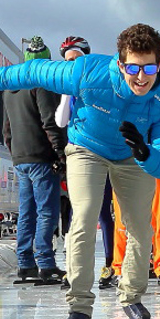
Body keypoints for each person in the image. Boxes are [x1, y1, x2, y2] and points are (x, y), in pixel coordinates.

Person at [0, 23, 160, 319]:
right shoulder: (90, 71)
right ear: (120, 63)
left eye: (149, 68)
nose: (141, 77)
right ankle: (79, 304)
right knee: (86, 216)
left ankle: (131, 296)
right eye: (133, 67)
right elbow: (38, 71)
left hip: (134, 155)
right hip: (86, 147)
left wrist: (146, 152)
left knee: (140, 228)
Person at [1, 36, 69, 283]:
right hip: (41, 157)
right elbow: (49, 121)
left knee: (26, 211)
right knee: (47, 212)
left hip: (21, 158)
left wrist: (15, 154)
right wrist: (60, 153)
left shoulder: (9, 89)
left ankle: (25, 263)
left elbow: (6, 129)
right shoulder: (41, 86)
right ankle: (46, 263)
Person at [56, 36, 119, 290]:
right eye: (68, 61)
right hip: (80, 157)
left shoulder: (101, 81)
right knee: (77, 214)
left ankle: (110, 265)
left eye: (76, 59)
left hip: (103, 155)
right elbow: (61, 121)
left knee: (104, 213)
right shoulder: (68, 86)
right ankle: (73, 267)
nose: (72, 65)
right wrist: (65, 94)